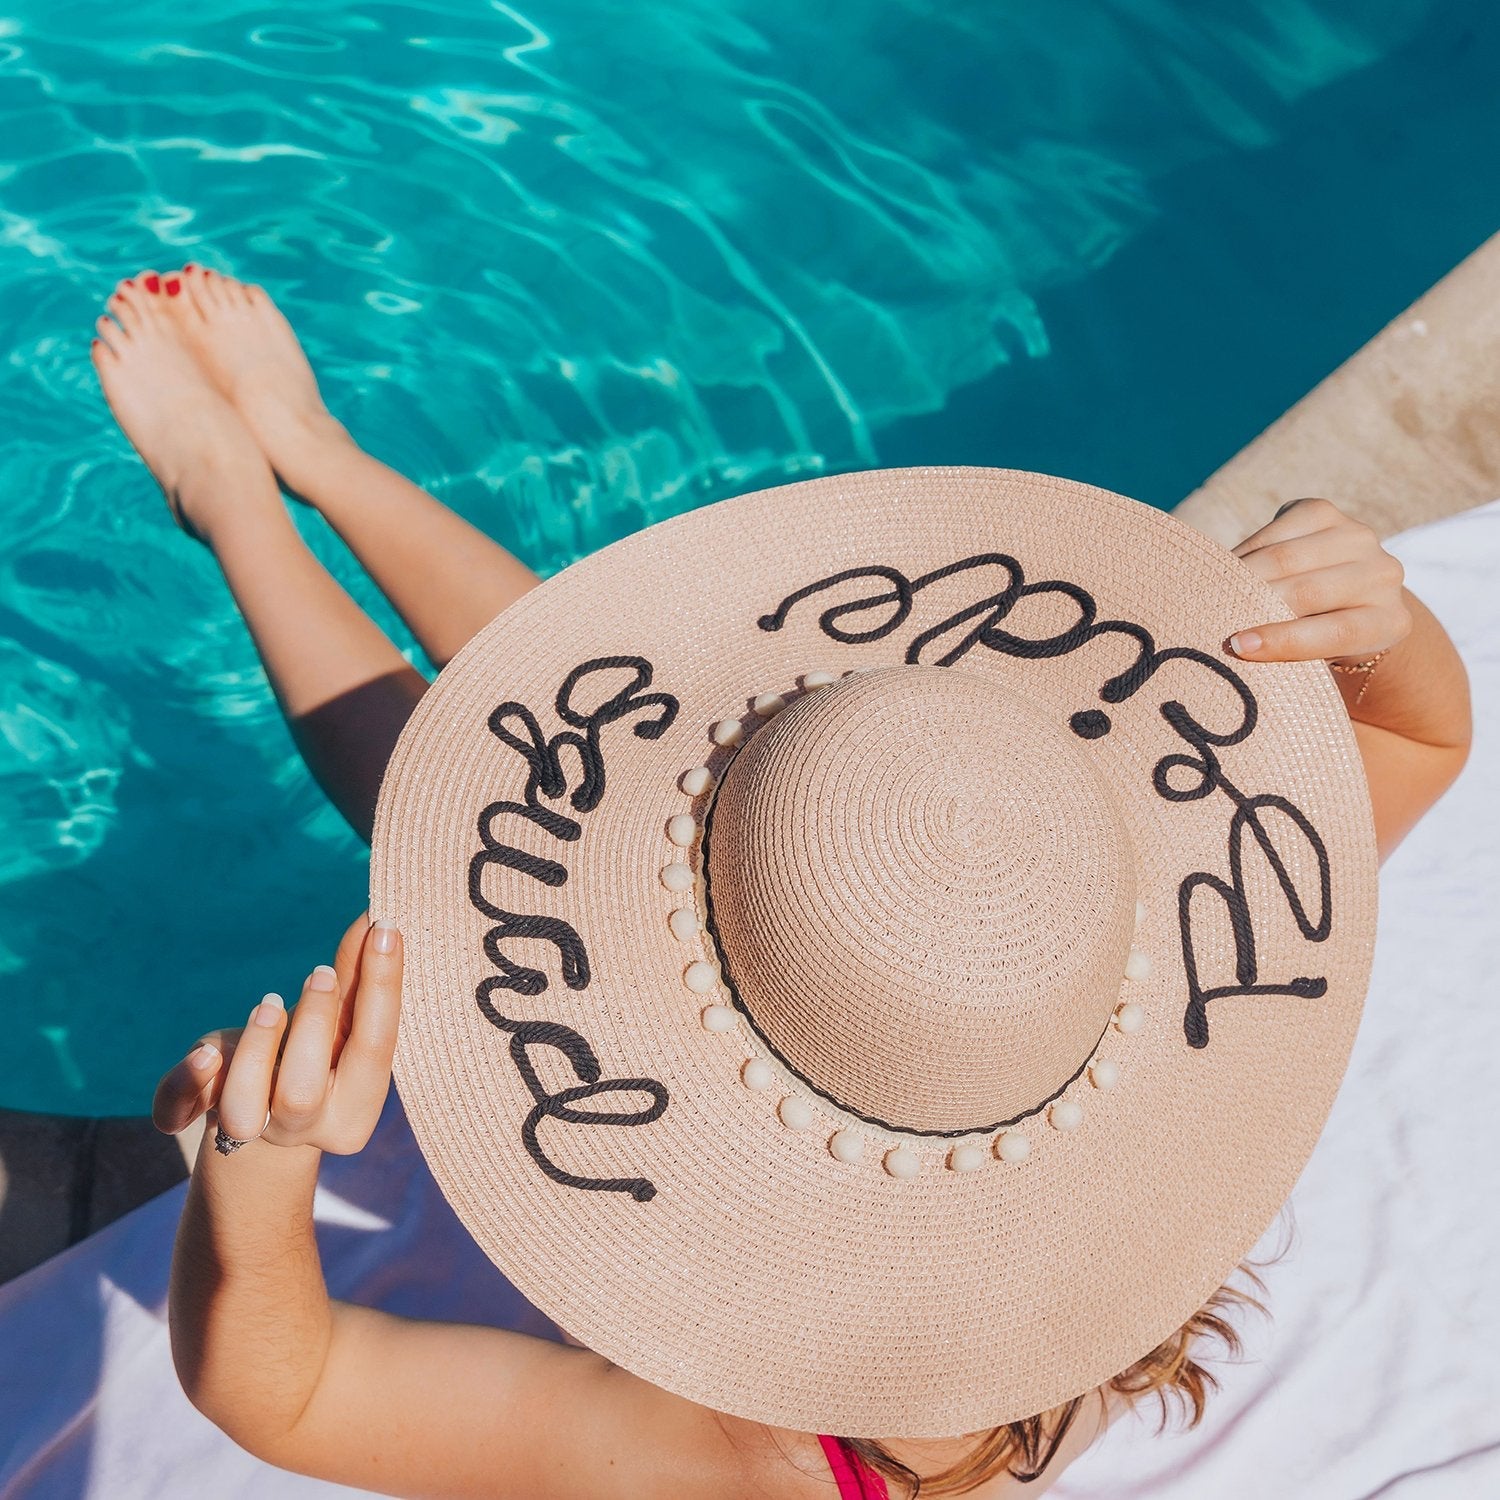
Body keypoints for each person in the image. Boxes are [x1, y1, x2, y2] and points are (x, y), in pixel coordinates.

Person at [110, 265, 1470, 1498]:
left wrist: (259, 1157)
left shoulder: (754, 1462)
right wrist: (1385, 624)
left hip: (749, 1306)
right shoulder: (1130, 1037)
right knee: (619, 734)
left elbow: (286, 1391)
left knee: (539, 799)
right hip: (912, 1121)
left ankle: (237, 496)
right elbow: (1422, 735)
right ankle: (311, 459)